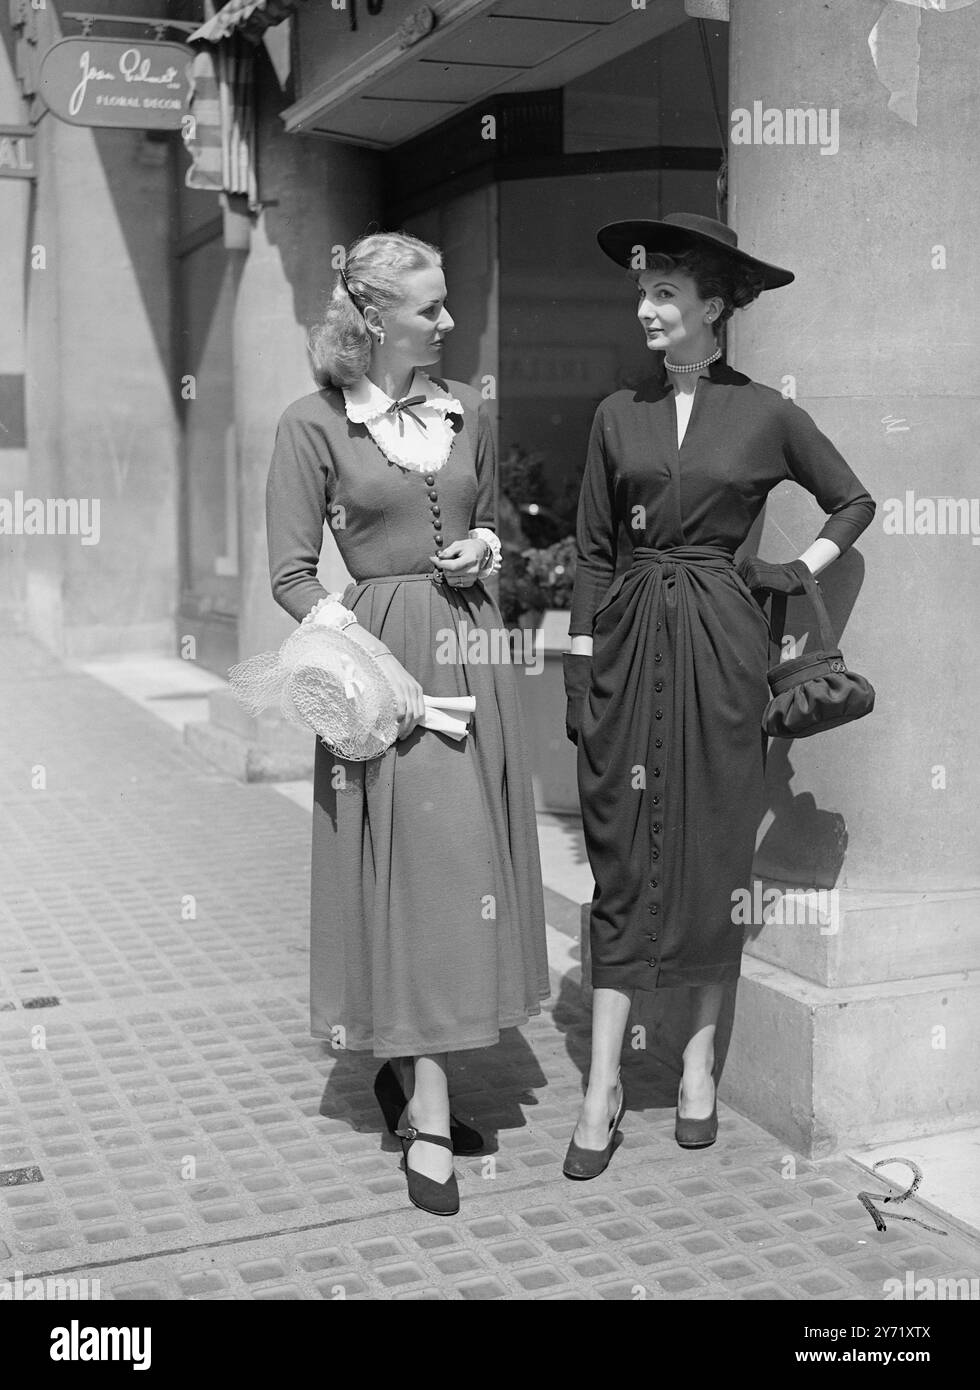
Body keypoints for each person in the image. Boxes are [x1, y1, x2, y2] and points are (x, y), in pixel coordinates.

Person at [561, 213, 875, 1177]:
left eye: (665, 293)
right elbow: (592, 547)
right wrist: (582, 660)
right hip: (629, 641)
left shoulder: (769, 413)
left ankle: (697, 1066)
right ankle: (602, 1085)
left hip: (726, 649)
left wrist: (794, 571)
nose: (647, 307)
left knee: (711, 851)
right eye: (644, 292)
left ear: (716, 307)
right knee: (620, 860)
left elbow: (855, 500)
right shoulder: (620, 412)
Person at [266, 231, 549, 1215]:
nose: (447, 321)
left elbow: (484, 517)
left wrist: (480, 545)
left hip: (475, 649)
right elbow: (291, 573)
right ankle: (427, 1106)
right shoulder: (312, 424)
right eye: (429, 308)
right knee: (427, 870)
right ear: (372, 317)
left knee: (466, 867)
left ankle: (412, 1064)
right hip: (381, 669)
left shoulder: (462, 408)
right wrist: (372, 669)